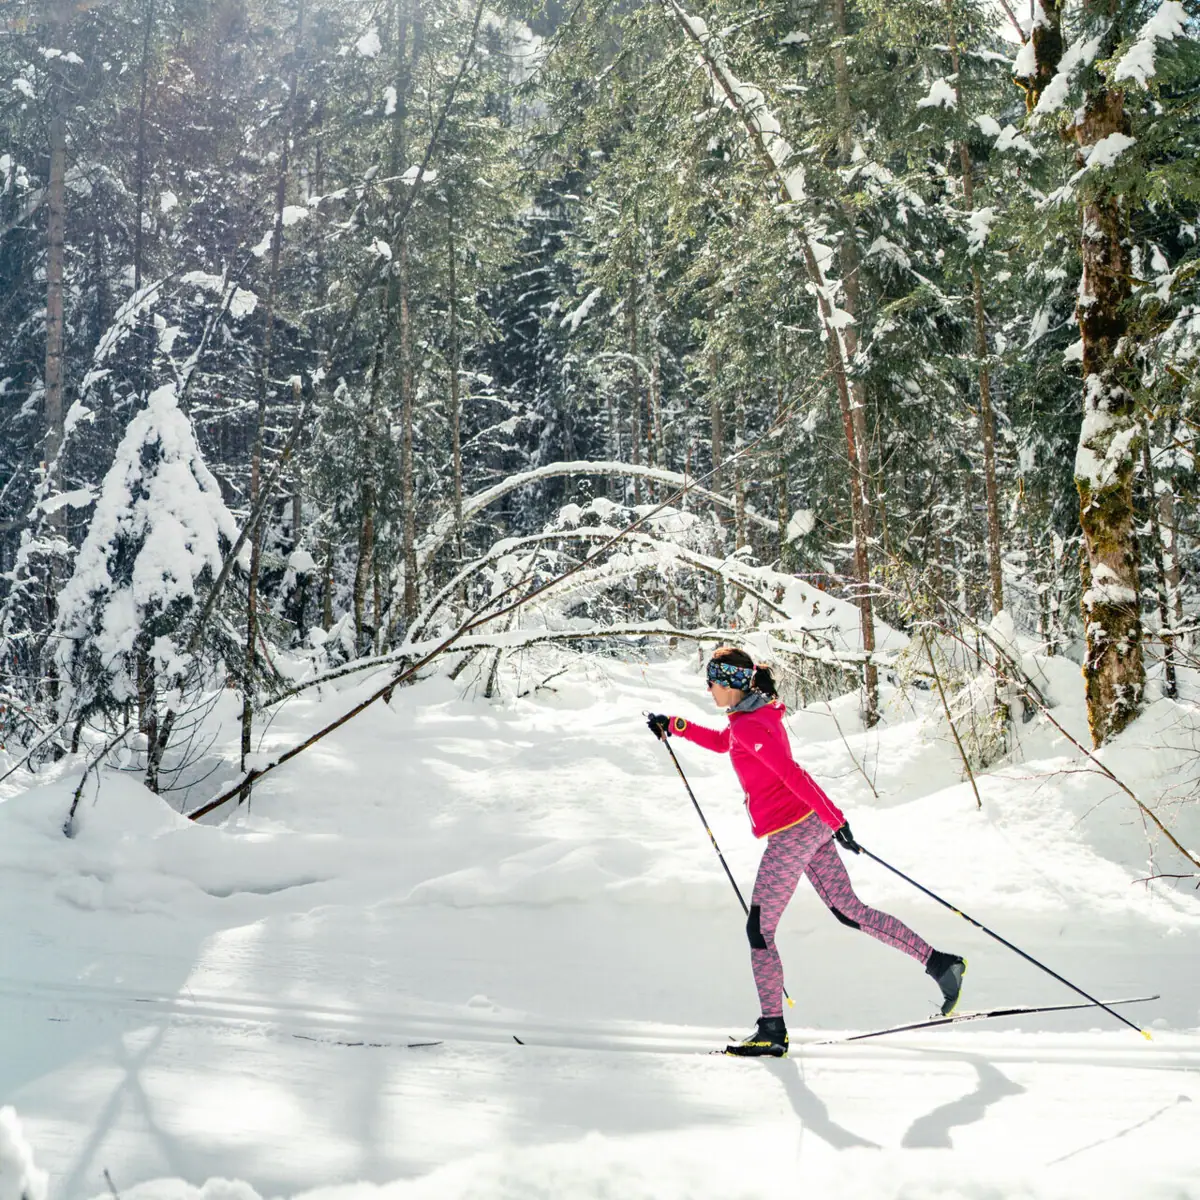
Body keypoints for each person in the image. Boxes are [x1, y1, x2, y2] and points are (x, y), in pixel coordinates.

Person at [648, 646, 965, 1057]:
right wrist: (675, 725)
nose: (708, 687)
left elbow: (792, 773)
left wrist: (837, 820)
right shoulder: (750, 719)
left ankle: (772, 1031)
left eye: (712, 680)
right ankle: (940, 964)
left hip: (793, 833)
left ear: (730, 683)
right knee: (850, 909)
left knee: (759, 931)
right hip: (808, 827)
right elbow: (724, 742)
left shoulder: (750, 725)